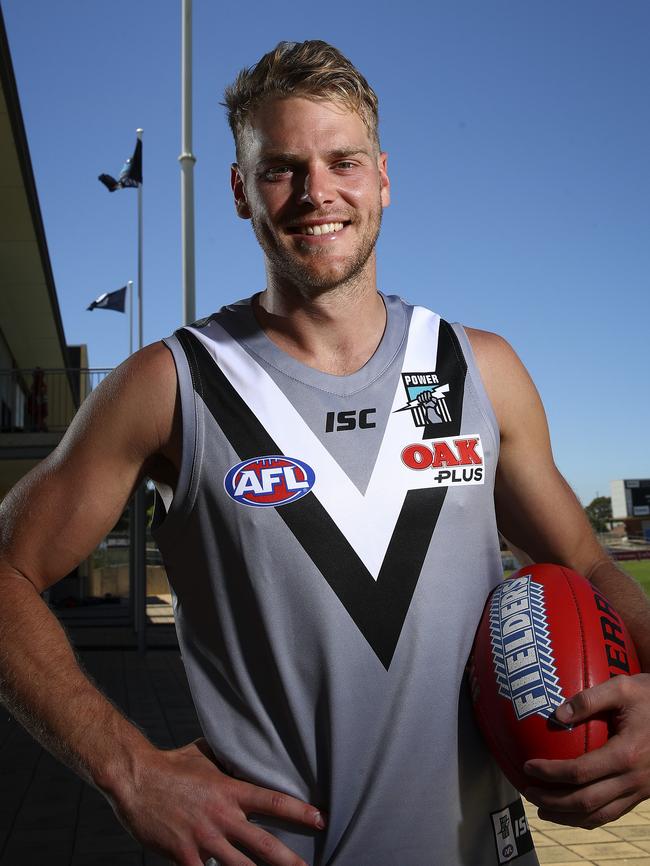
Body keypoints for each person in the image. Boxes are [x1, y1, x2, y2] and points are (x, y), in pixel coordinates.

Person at [0, 40, 649, 866]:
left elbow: (588, 566)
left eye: (342, 161)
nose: (317, 194)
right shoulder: (172, 383)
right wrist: (127, 769)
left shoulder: (478, 369)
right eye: (281, 168)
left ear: (383, 177)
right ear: (241, 190)